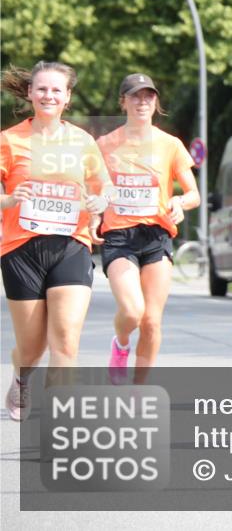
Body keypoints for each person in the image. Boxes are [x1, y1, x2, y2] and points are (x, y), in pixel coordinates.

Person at [1, 61, 113, 421]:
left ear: (67, 97)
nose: (48, 95)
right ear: (30, 93)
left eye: (56, 90)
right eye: (42, 89)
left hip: (71, 245)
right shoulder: (9, 140)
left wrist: (100, 201)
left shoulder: (82, 141)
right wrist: (9, 199)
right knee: (32, 347)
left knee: (65, 339)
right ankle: (22, 377)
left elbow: (104, 187)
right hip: (21, 249)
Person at [96, 74, 200, 385]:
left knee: (152, 321)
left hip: (157, 235)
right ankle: (120, 345)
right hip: (119, 236)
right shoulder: (105, 145)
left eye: (148, 96)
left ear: (156, 102)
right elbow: (92, 189)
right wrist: (92, 216)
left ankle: (138, 389)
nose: (142, 102)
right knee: (132, 312)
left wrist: (180, 201)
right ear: (123, 102)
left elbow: (193, 194)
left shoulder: (170, 145)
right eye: (135, 96)